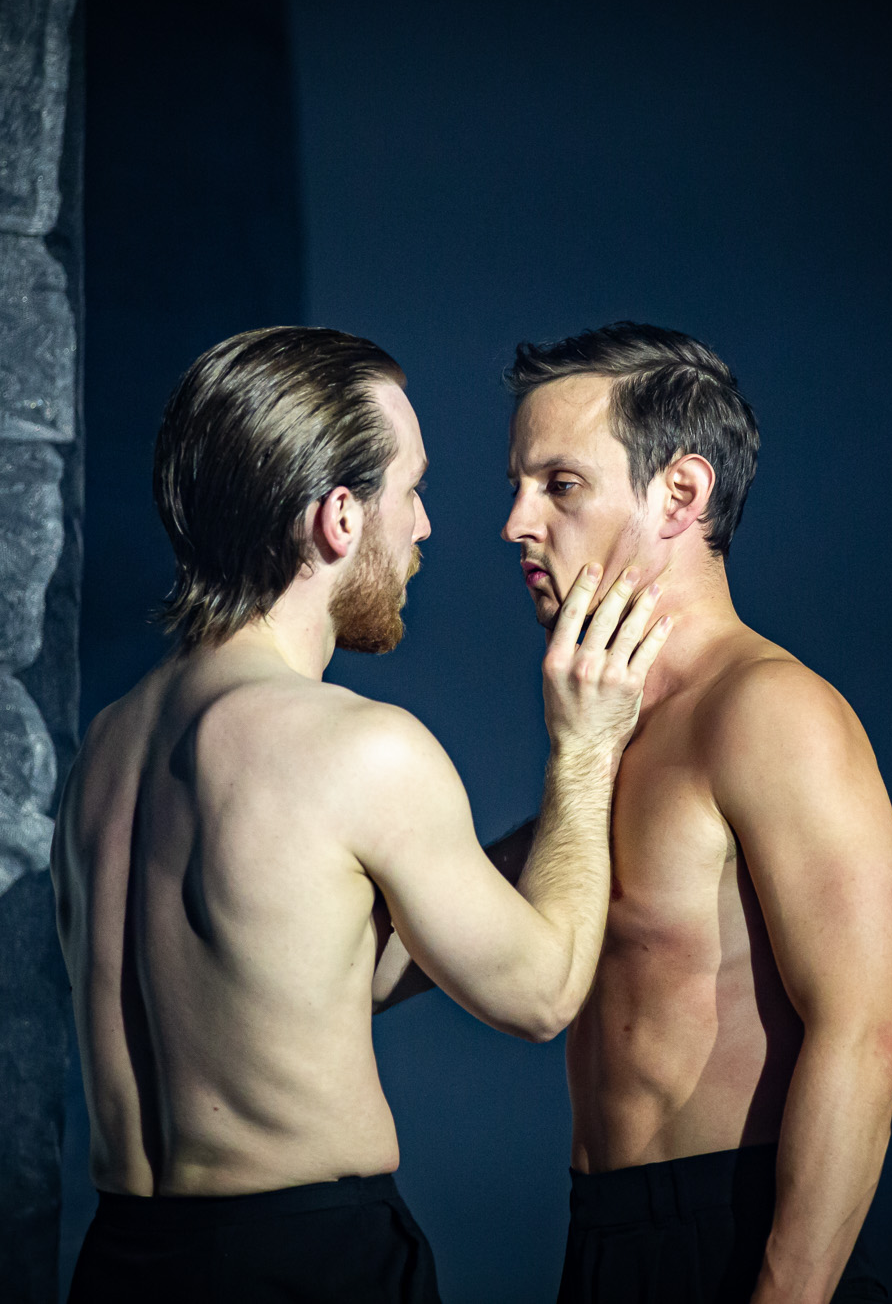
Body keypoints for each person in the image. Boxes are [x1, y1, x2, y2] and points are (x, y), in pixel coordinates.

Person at [50, 326, 672, 1304]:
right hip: (302, 1268)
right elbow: (541, 993)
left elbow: (310, 970)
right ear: (338, 517)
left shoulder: (106, 749)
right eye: (410, 491)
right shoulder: (357, 748)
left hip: (123, 1264)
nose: (423, 528)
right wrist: (586, 752)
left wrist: (537, 847)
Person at [391, 322, 892, 1302]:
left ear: (679, 493)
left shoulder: (770, 710)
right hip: (604, 1239)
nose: (514, 522)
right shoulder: (603, 728)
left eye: (558, 484)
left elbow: (866, 1036)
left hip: (738, 1242)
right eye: (516, 484)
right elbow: (454, 932)